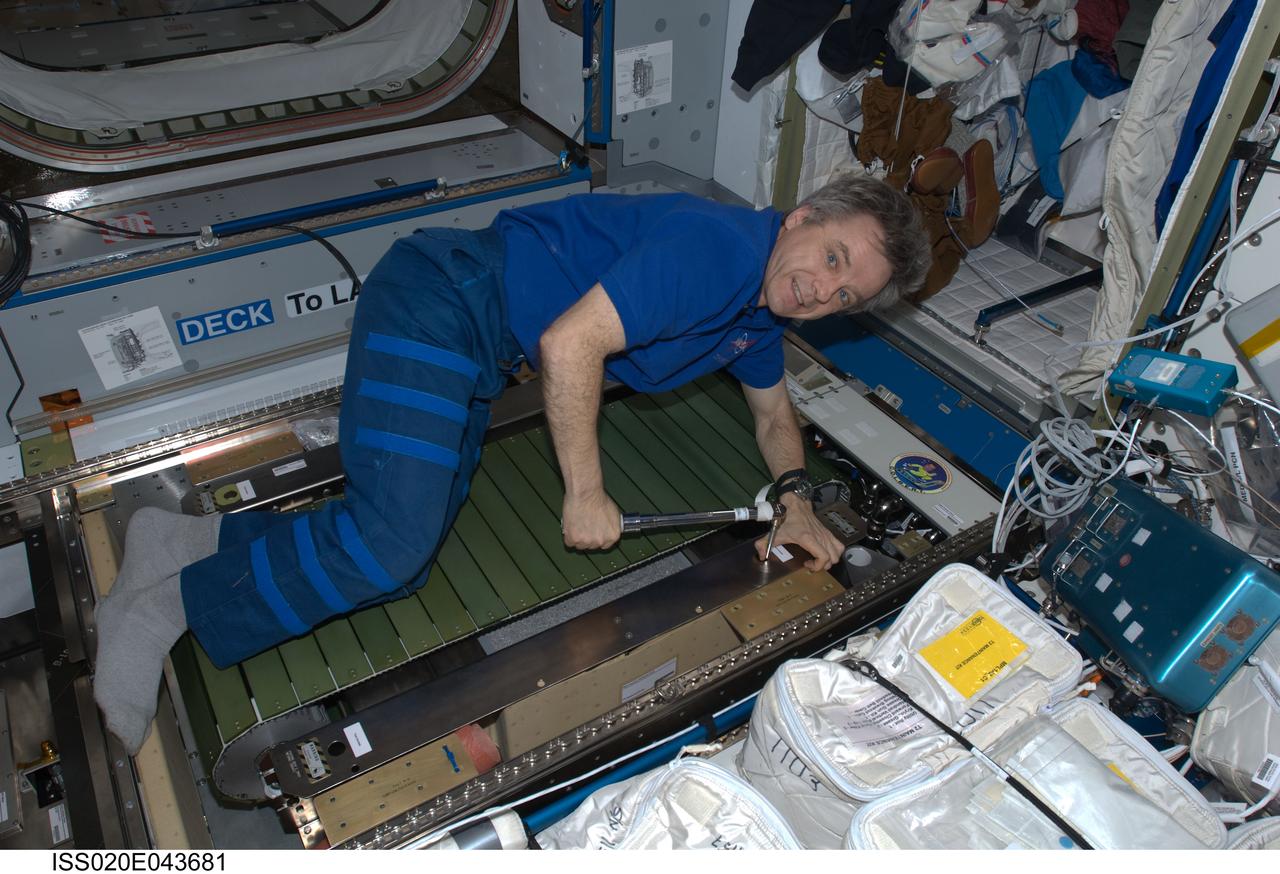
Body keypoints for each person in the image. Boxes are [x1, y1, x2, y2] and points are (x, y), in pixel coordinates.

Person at [92, 174, 929, 753]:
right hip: (439, 303)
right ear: (803, 216)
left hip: (475, 344)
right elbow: (573, 345)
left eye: (847, 294)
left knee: (400, 556)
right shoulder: (720, 250)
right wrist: (586, 492)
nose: (825, 291)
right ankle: (166, 607)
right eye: (833, 259)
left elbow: (775, 410)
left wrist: (794, 496)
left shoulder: (756, 312)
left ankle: (176, 544)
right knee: (391, 544)